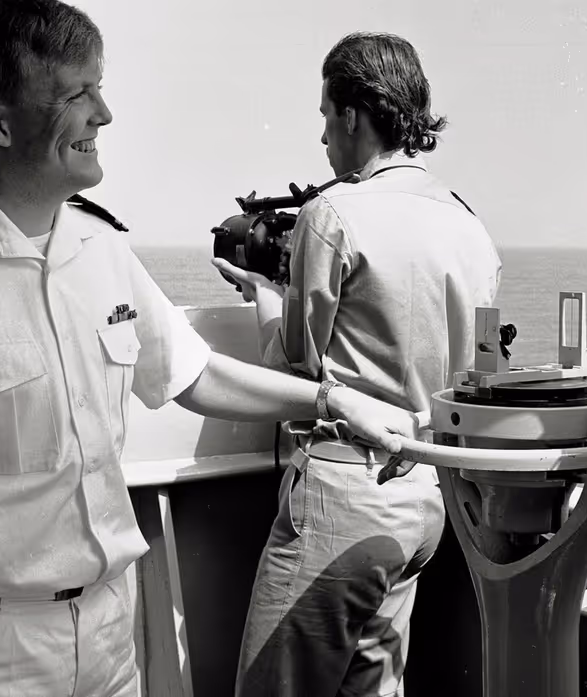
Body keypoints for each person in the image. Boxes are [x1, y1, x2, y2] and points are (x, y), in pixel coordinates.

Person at [0, 2, 423, 696]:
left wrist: (334, 398)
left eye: (98, 86)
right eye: (76, 94)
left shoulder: (100, 248)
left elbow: (193, 373)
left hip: (108, 639)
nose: (104, 113)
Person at [212, 31, 501, 697]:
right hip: (426, 496)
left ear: (351, 113)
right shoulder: (469, 224)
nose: (321, 138)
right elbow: (478, 366)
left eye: (324, 115)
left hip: (345, 496)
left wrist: (263, 295)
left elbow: (296, 372)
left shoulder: (331, 213)